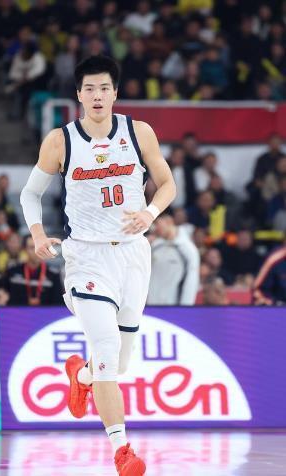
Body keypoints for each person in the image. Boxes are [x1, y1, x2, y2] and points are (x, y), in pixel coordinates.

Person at [20, 55, 176, 475]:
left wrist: (151, 213)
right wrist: (37, 235)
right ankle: (122, 451)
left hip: (132, 254)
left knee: (119, 364)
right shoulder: (60, 141)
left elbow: (167, 184)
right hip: (86, 256)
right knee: (106, 349)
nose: (97, 95)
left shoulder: (138, 132)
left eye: (104, 88)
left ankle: (82, 377)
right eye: (89, 88)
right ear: (78, 94)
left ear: (115, 93)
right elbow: (30, 194)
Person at [146, 213, 200, 305]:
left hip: (173, 306)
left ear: (169, 222)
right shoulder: (155, 246)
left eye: (157, 224)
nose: (155, 229)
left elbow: (191, 281)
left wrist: (186, 307)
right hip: (151, 305)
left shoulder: (188, 250)